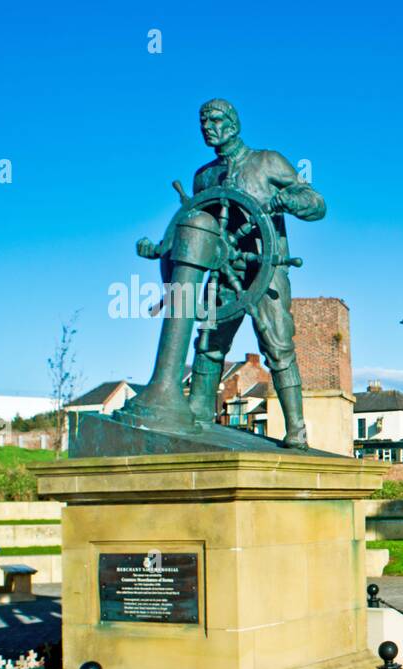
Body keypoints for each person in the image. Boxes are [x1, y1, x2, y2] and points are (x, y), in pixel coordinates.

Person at [137, 99, 326, 448]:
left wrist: (290, 201)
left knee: (278, 346)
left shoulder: (267, 161)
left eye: (216, 119)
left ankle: (296, 430)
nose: (208, 126)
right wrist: (164, 248)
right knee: (209, 344)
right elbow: (198, 226)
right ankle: (197, 412)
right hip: (223, 274)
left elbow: (317, 203)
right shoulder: (204, 177)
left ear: (234, 123)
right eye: (203, 121)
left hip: (265, 271)